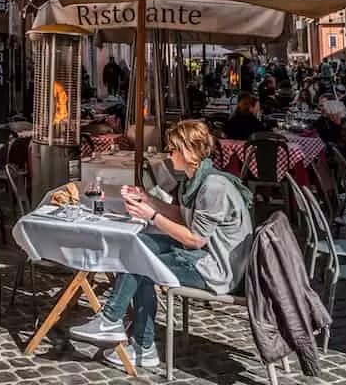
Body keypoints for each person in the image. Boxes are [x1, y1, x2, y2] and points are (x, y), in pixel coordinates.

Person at [69, 120, 254, 370]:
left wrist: (151, 216)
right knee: (138, 245)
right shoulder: (197, 179)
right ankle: (124, 331)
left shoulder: (213, 186)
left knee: (142, 265)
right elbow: (182, 215)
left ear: (187, 152)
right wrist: (149, 200)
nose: (169, 154)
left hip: (216, 269)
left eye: (173, 149)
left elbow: (195, 238)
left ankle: (129, 334)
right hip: (200, 256)